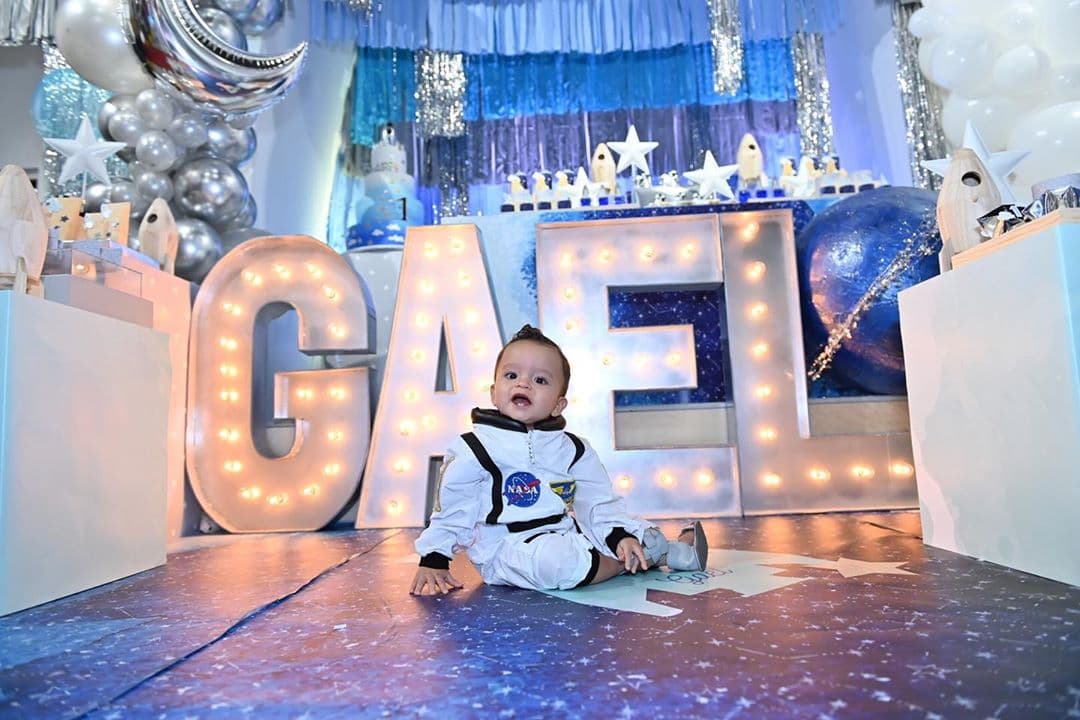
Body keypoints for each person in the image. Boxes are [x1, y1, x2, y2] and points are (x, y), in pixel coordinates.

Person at [410, 324, 708, 596]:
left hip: (566, 533)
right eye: (511, 376)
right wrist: (434, 559)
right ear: (494, 393)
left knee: (630, 534)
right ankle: (638, 560)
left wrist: (618, 536)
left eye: (540, 380)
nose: (524, 384)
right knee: (557, 562)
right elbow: (452, 507)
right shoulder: (474, 447)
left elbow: (597, 503)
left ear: (558, 404)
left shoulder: (574, 448)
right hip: (504, 549)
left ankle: (667, 550)